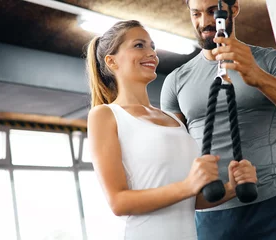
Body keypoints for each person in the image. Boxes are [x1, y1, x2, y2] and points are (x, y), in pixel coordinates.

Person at [160, 0, 276, 239]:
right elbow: (173, 154)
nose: (204, 22)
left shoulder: (269, 60)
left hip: (273, 207)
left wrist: (255, 75)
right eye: (195, 14)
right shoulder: (175, 81)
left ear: (233, 9)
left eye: (212, 12)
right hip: (211, 215)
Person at [85, 20, 257, 240]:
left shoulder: (171, 118)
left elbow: (190, 200)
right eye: (139, 45)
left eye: (152, 47)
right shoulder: (105, 115)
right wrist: (188, 186)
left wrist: (232, 187)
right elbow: (119, 202)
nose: (151, 54)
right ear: (112, 61)